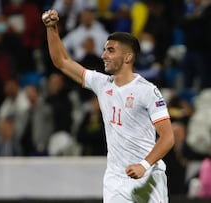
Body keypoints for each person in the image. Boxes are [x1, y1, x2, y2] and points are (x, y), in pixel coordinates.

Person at [42, 9, 174, 202]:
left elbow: (168, 137)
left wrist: (144, 165)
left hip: (148, 177)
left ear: (128, 57)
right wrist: (51, 28)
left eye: (110, 50)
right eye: (104, 49)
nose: (103, 55)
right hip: (115, 180)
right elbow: (62, 62)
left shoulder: (148, 91)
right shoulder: (101, 83)